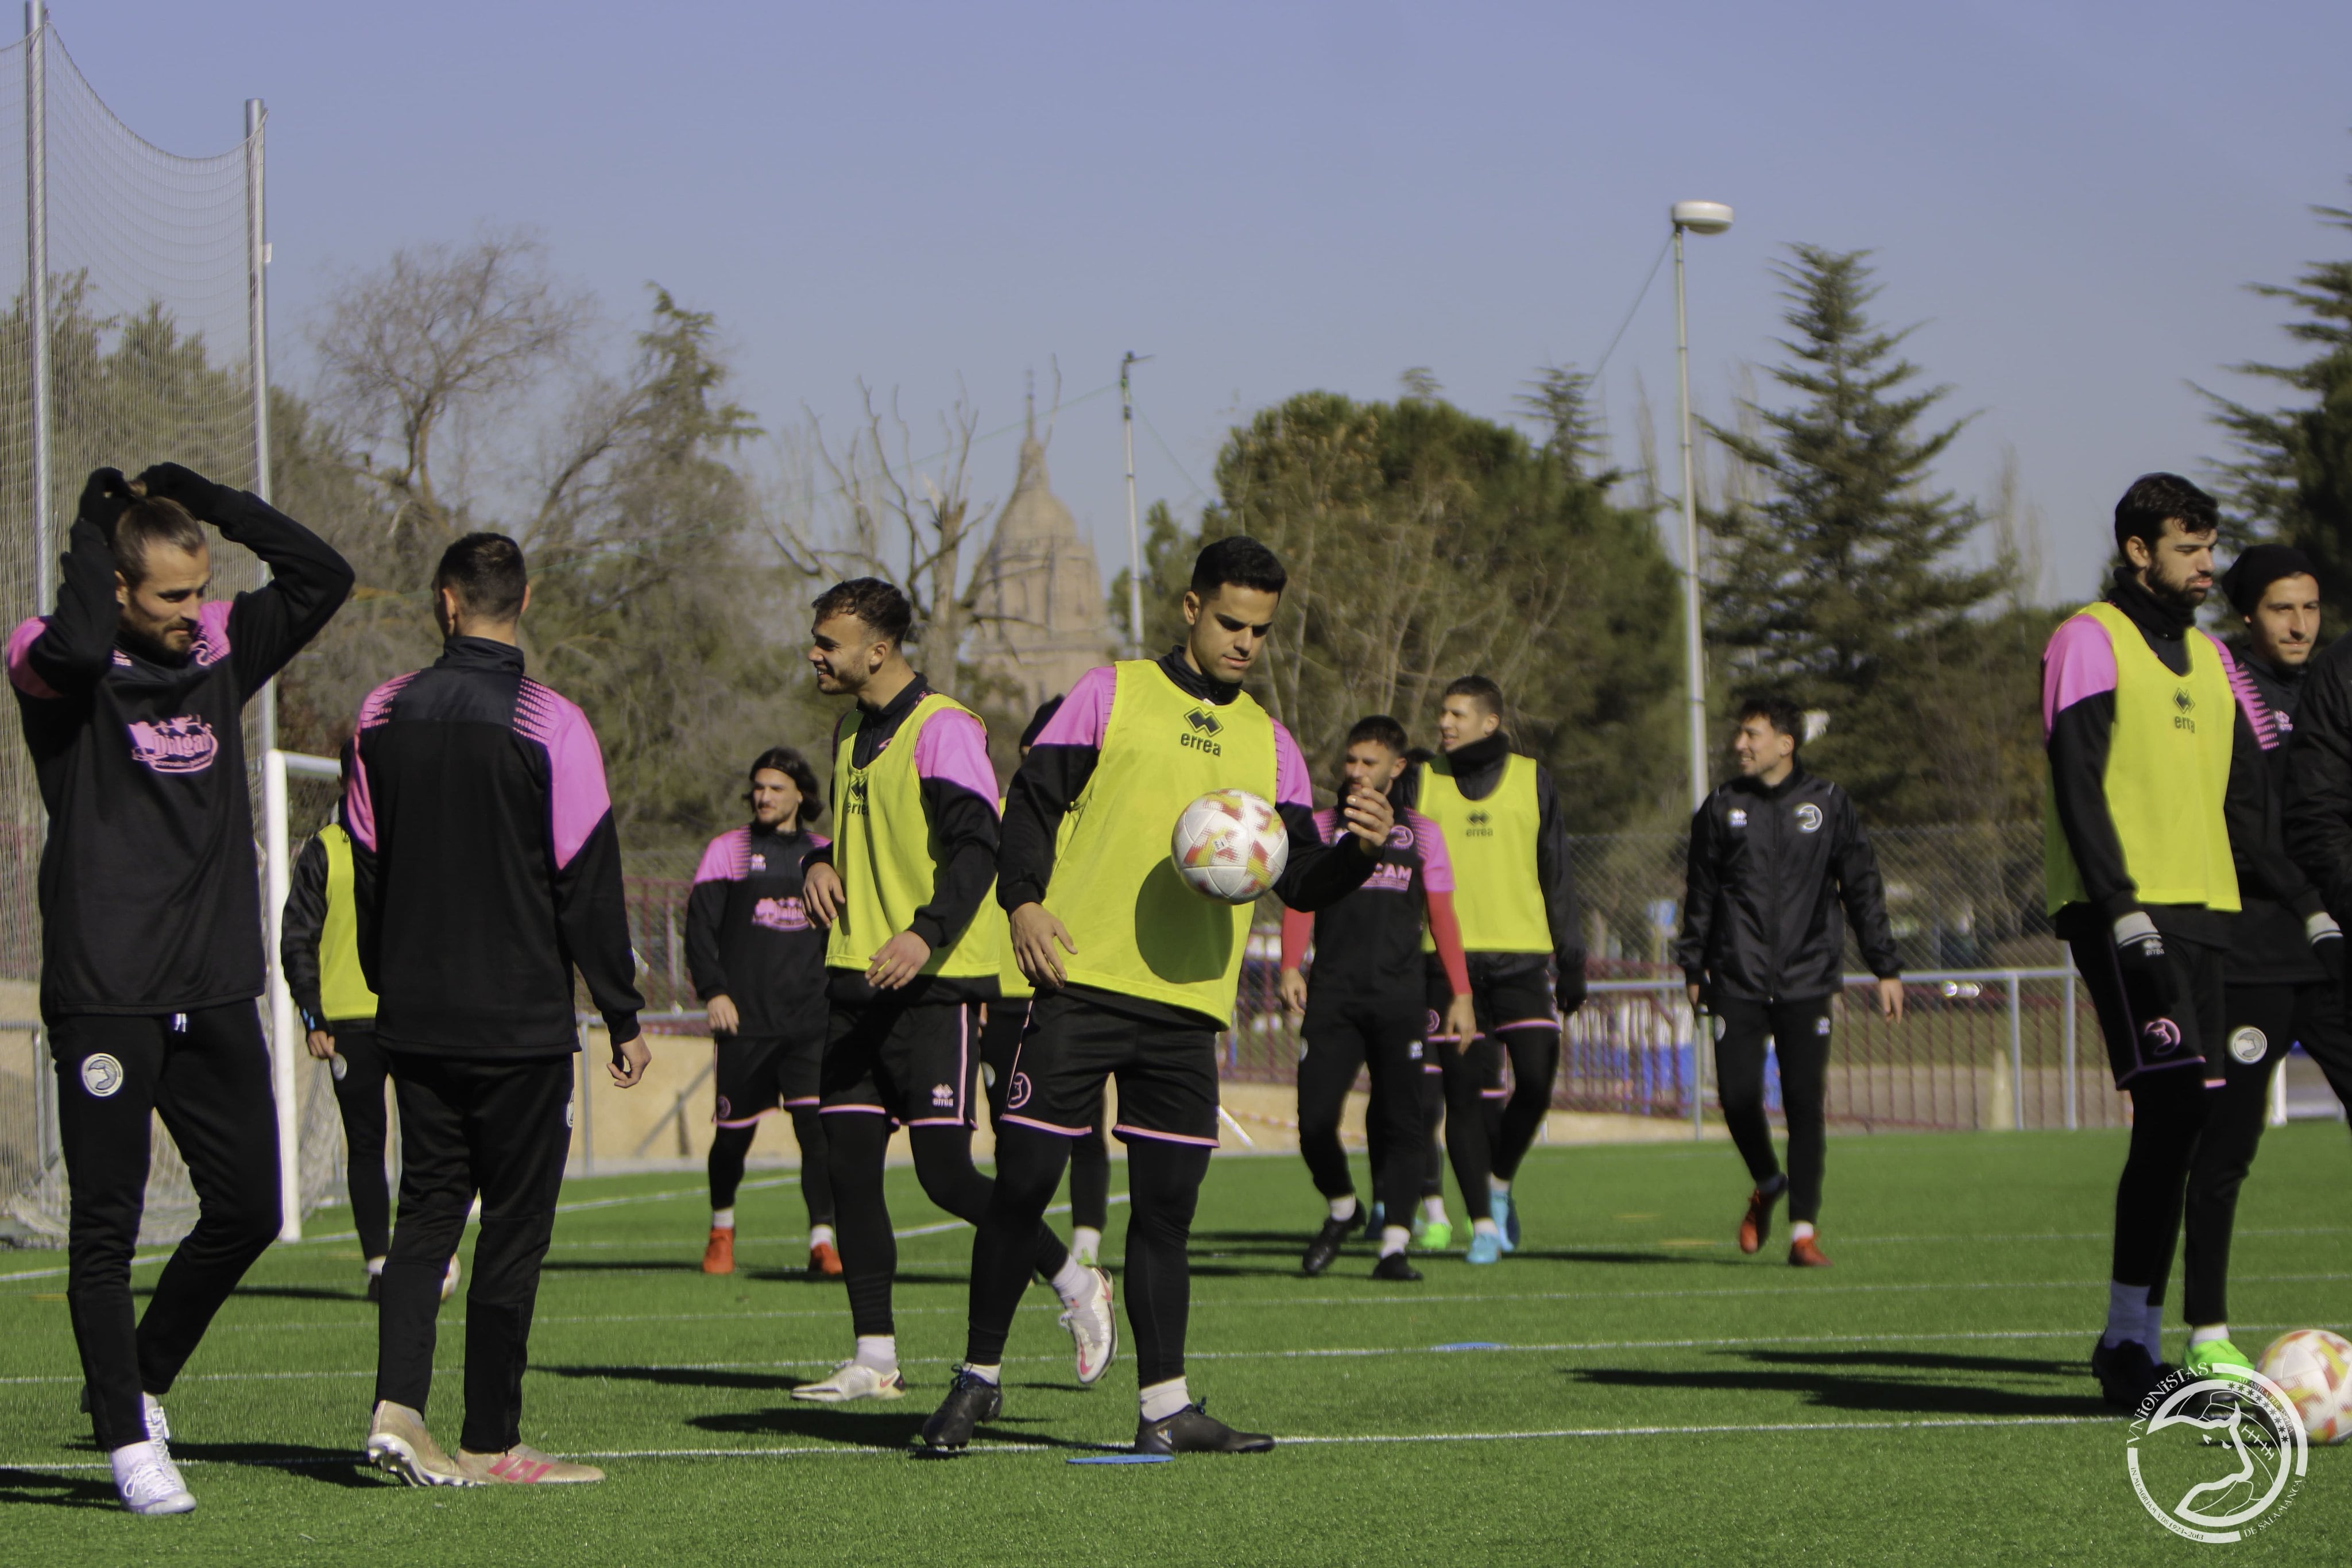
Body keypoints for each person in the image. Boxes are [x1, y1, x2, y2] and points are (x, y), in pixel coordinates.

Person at [922, 535, 1388, 1455]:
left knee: (1167, 1208)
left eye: (1260, 628)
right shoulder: (1111, 693)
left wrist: (1361, 854)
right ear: (1189, 607)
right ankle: (978, 1380)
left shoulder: (1271, 741)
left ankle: (1165, 1406)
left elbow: (1298, 880)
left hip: (1187, 1006)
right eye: (1229, 621)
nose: (1245, 641)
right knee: (1021, 1186)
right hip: (1078, 981)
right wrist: (1022, 903)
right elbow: (1031, 803)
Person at [7, 463, 351, 1515]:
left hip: (213, 984)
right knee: (103, 1224)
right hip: (107, 990)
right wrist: (90, 523)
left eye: (201, 591)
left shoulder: (213, 650)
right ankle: (126, 1444)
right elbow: (69, 643)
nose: (193, 614)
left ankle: (141, 1376)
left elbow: (322, 575)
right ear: (114, 585)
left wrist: (209, 501)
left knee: (247, 1205)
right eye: (168, 596)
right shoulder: (52, 659)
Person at [350, 532, 649, 1487]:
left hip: (413, 1013)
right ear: (525, 600)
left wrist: (383, 975)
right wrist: (621, 1009)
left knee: (427, 1212)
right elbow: (588, 886)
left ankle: (399, 1407)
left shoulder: (380, 712)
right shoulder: (551, 723)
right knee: (514, 1227)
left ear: (445, 602)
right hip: (517, 1023)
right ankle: (491, 1440)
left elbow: (365, 866)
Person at [789, 579, 1113, 1405]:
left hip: (936, 986)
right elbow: (849, 833)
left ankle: (1075, 1279)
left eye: (830, 641)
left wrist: (923, 932)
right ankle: (874, 1356)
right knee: (849, 1166)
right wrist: (814, 862)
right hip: (857, 979)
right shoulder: (850, 727)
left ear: (879, 649)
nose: (816, 653)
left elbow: (978, 849)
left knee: (946, 1176)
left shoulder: (945, 730)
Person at [2044, 474, 2323, 1409]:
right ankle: (2131, 1343)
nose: (2207, 565)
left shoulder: (2213, 661)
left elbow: (2249, 812)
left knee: (2193, 1119)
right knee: (2169, 1109)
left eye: (2210, 548)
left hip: (2208, 915)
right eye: (2187, 548)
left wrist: (2304, 900)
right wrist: (2119, 904)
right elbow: (2078, 781)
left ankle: (2138, 1341)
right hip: (2125, 912)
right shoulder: (2088, 640)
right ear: (2137, 551)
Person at [2181, 548, 2352, 1380]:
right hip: (2253, 951)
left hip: (2334, 948)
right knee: (2228, 1146)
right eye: (2283, 608)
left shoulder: (2333, 690)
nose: (2300, 624)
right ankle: (2207, 1329)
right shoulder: (2224, 691)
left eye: (2311, 607)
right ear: (2248, 614)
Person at [1674, 695, 1904, 1268]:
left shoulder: (1828, 803)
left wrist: (1885, 966)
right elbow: (1700, 892)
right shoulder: (1722, 806)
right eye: (1739, 734)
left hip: (1806, 978)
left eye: (1752, 734)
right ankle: (1766, 1180)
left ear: (1786, 743)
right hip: (1736, 977)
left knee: (1804, 1103)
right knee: (1736, 1096)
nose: (1739, 745)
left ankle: (1803, 1231)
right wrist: (1692, 963)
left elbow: (1862, 887)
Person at [1280, 715, 1476, 1281]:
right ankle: (1343, 1207)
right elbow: (1299, 900)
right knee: (1313, 1121)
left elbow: (1441, 915)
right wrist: (1291, 964)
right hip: (1333, 999)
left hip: (1399, 998)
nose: (1357, 772)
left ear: (1397, 768)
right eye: (1351, 761)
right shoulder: (1319, 827)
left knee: (1401, 1120)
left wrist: (1460, 993)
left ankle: (1394, 1244)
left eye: (1370, 762)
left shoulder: (1423, 834)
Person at [1411, 676, 1586, 1264]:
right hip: (1446, 967)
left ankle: (1501, 1182)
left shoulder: (1531, 778)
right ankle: (1482, 1224)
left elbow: (1556, 871)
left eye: (1457, 713)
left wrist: (1572, 958)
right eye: (1442, 712)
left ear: (1490, 722)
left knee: (1535, 1083)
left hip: (1521, 963)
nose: (1445, 722)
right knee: (1462, 1097)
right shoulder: (1423, 781)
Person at [280, 741, 458, 1304]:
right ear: (345, 779)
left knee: (430, 1140)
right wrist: (312, 1012)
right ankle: (380, 1265)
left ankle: (426, 1250)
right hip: (348, 1025)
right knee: (366, 1142)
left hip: (411, 1017)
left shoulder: (415, 845)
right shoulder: (323, 851)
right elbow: (297, 939)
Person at [685, 746, 838, 1279]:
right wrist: (714, 992)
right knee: (732, 1137)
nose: (764, 796)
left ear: (801, 794)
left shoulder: (825, 852)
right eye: (758, 787)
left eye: (776, 787)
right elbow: (700, 931)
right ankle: (721, 1232)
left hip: (811, 1023)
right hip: (744, 1022)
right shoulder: (728, 850)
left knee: (817, 1136)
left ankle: (823, 1242)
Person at [977, 696, 1112, 1269]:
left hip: (1069, 990)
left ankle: (1084, 1244)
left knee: (1084, 1129)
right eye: (1036, 752)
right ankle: (1026, 1242)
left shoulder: (1098, 820)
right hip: (1002, 998)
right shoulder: (994, 817)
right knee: (1011, 1134)